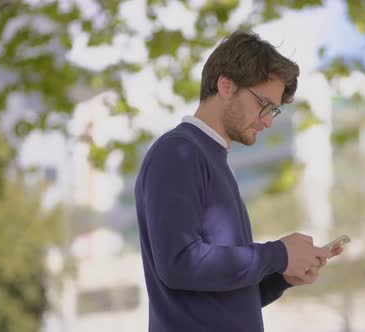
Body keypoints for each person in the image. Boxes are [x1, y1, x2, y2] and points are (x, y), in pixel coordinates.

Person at [134, 30, 344, 332]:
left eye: (274, 110)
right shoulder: (179, 152)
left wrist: (281, 275)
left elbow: (219, 295)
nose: (269, 120)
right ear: (226, 85)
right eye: (264, 104)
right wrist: (277, 254)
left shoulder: (211, 160)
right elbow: (179, 263)